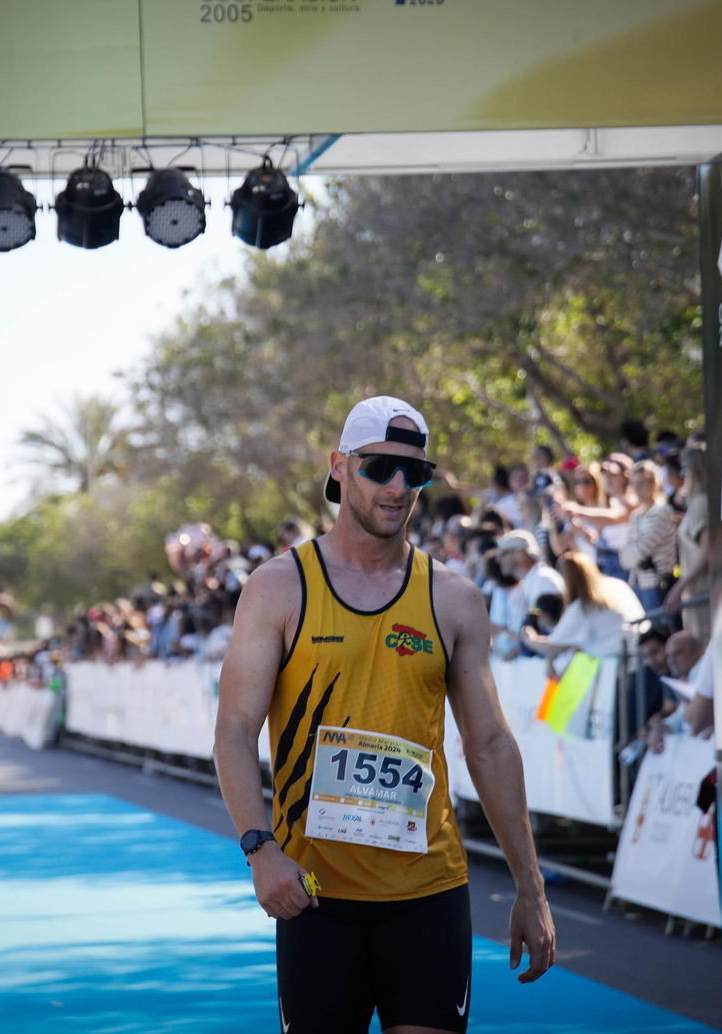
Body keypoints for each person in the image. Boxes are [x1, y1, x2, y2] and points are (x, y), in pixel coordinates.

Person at [213, 396, 555, 1034]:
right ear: (339, 466)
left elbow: (489, 744)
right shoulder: (279, 587)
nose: (398, 487)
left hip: (429, 893)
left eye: (414, 473)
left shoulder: (453, 597)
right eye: (379, 469)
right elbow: (234, 729)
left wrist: (530, 887)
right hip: (316, 895)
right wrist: (260, 849)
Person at [663, 445, 710, 641]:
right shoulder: (698, 504)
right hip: (695, 592)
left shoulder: (701, 503)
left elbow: (707, 552)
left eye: (685, 470)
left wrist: (679, 586)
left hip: (701, 592)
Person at [619, 460, 679, 615]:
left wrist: (633, 550)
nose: (637, 489)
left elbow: (643, 549)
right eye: (634, 484)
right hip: (638, 584)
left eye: (642, 483)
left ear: (654, 484)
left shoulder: (661, 512)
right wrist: (632, 552)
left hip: (658, 585)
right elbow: (624, 558)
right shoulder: (635, 516)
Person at [493, 530, 565, 658]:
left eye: (503, 554)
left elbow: (557, 627)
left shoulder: (543, 579)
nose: (498, 560)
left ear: (519, 554)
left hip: (561, 656)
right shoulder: (534, 579)